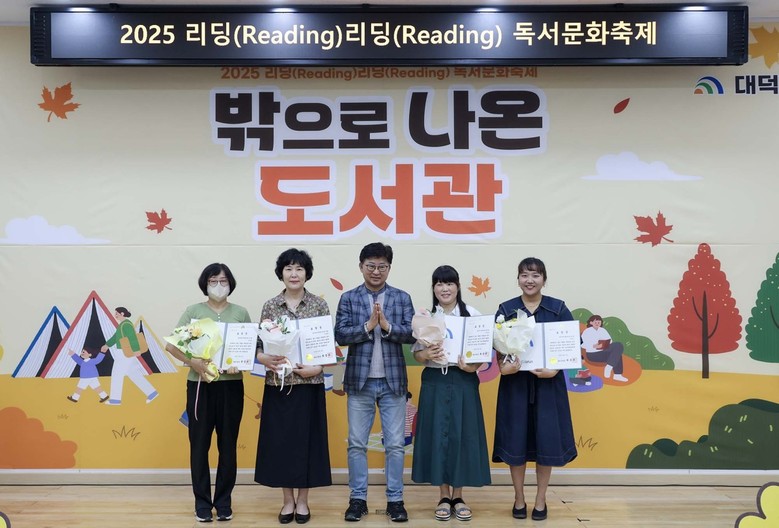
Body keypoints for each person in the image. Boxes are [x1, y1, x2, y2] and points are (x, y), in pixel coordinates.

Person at [334, 242, 416, 523]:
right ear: (361, 267)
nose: (376, 271)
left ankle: (395, 500)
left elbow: (411, 334)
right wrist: (368, 327)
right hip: (360, 382)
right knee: (357, 444)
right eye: (371, 266)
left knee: (395, 445)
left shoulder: (402, 298)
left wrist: (387, 327)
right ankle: (357, 499)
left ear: (389, 268)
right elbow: (340, 335)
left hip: (393, 383)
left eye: (382, 266)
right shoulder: (349, 298)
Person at [164, 263, 251, 523]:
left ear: (231, 284)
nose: (218, 286)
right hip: (200, 385)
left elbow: (249, 346)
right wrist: (193, 362)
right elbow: (172, 346)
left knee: (228, 445)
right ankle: (202, 503)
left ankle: (223, 503)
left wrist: (241, 362)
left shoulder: (240, 313)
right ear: (205, 283)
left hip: (231, 385)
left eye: (223, 281)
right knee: (199, 444)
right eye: (213, 281)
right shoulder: (194, 311)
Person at [493, 257, 577, 521]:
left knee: (546, 442)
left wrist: (556, 370)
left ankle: (541, 499)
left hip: (548, 386)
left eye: (535, 275)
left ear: (544, 279)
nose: (529, 280)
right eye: (524, 275)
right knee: (515, 442)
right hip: (515, 386)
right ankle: (519, 497)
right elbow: (498, 351)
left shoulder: (558, 309)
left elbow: (571, 347)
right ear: (518, 279)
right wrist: (504, 368)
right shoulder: (506, 309)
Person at [254, 249, 332, 525]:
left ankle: (303, 501)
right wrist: (263, 358)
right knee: (282, 444)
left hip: (309, 384)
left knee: (307, 444)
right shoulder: (271, 306)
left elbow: (327, 347)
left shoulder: (319, 305)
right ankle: (287, 500)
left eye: (299, 268)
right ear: (281, 274)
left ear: (307, 273)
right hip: (279, 384)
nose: (294, 274)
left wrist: (317, 368)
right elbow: (259, 346)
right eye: (288, 268)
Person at [411, 265, 491, 522]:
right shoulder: (425, 316)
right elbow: (417, 355)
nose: (444, 289)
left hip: (463, 380)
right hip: (434, 380)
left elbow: (482, 353)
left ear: (458, 287)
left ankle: (458, 496)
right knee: (438, 436)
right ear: (433, 288)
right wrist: (426, 353)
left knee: (461, 435)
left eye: (449, 283)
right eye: (439, 284)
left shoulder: (472, 315)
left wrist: (472, 367)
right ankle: (443, 496)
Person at [101, 307, 158, 405]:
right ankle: (152, 393)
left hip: (124, 353)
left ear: (122, 314)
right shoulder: (122, 325)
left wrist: (136, 349)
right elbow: (115, 337)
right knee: (134, 374)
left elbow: (132, 337)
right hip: (125, 352)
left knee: (117, 374)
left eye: (117, 313)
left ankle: (115, 400)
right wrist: (107, 345)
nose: (115, 315)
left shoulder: (126, 324)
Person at [581, 314, 629, 382]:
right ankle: (611, 368)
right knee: (617, 352)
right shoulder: (587, 331)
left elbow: (610, 341)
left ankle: (616, 374)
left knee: (618, 346)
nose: (597, 323)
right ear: (591, 322)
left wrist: (604, 344)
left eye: (599, 322)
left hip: (603, 352)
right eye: (595, 322)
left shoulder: (603, 330)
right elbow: (582, 344)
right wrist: (594, 346)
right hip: (592, 354)